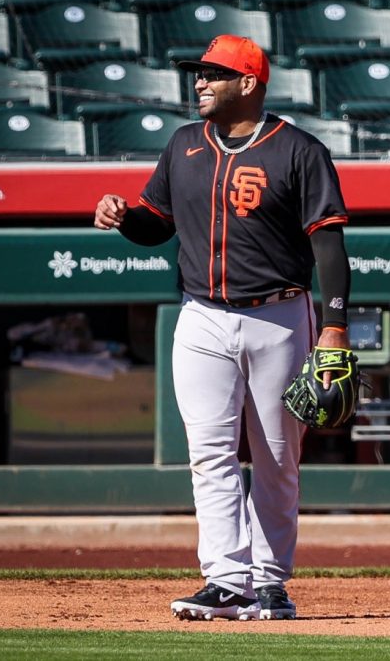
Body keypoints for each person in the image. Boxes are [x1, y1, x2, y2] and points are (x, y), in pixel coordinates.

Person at [94, 34, 352, 621]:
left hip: (280, 316)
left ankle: (269, 582)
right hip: (202, 317)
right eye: (198, 73)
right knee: (209, 454)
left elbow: (330, 247)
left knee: (277, 458)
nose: (200, 82)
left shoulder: (299, 150)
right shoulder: (184, 143)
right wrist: (124, 216)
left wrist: (334, 327)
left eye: (213, 73)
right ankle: (225, 578)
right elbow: (156, 223)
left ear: (250, 83)